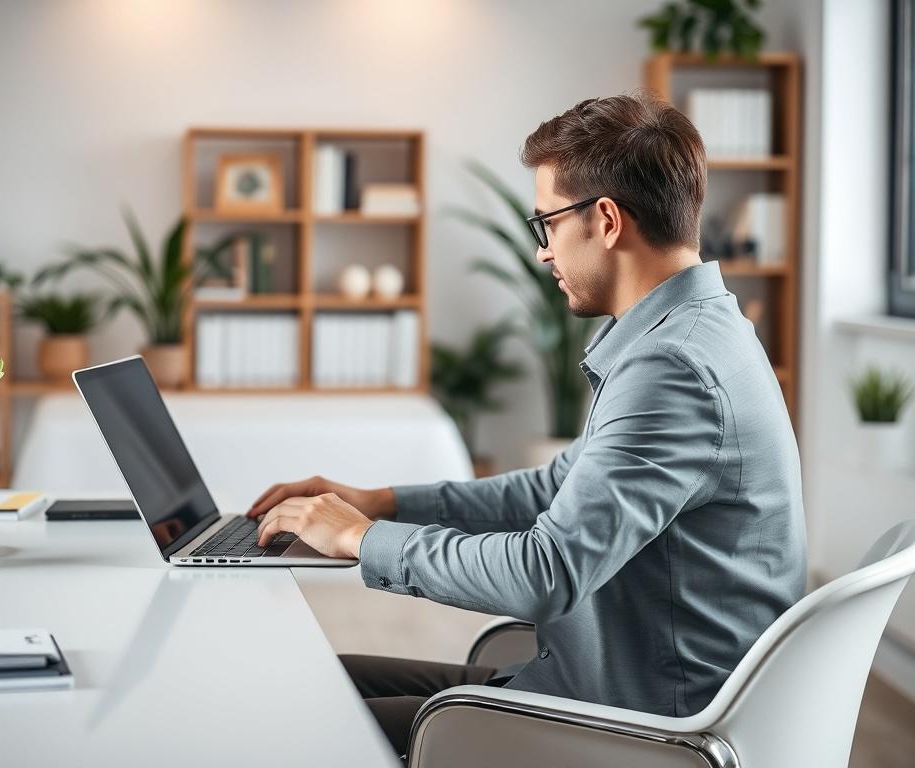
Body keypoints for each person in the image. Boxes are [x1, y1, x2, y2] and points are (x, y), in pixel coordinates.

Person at [249, 91, 807, 757]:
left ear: (606, 220)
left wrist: (360, 539)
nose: (543, 252)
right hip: (604, 685)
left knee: (304, 728)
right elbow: (553, 488)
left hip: (641, 727)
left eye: (546, 223)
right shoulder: (697, 330)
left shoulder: (672, 366)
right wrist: (382, 502)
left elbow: (545, 573)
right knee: (315, 684)